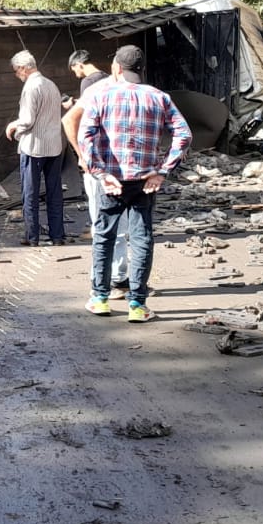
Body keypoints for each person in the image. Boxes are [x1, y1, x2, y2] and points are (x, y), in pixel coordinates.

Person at [77, 46, 193, 324]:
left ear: (116, 68)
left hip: (112, 182)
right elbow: (184, 135)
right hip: (144, 181)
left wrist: (100, 173)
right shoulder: (159, 97)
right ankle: (138, 306)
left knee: (104, 236)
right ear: (141, 71)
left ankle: (100, 299)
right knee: (141, 239)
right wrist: (163, 171)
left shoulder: (100, 96)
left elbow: (85, 137)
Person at [62, 52, 128, 299]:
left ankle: (113, 279)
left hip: (110, 167)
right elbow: (70, 120)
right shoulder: (100, 85)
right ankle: (107, 282)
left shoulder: (95, 86)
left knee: (111, 224)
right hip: (103, 166)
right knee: (108, 224)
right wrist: (82, 155)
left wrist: (81, 154)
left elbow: (70, 119)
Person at [5, 50, 65, 247]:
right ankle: (57, 235)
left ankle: (32, 236)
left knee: (30, 193)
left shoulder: (31, 87)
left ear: (23, 68)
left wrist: (13, 127)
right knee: (54, 193)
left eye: (16, 71)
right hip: (54, 146)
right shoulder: (51, 84)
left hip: (34, 146)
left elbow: (28, 120)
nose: (16, 75)